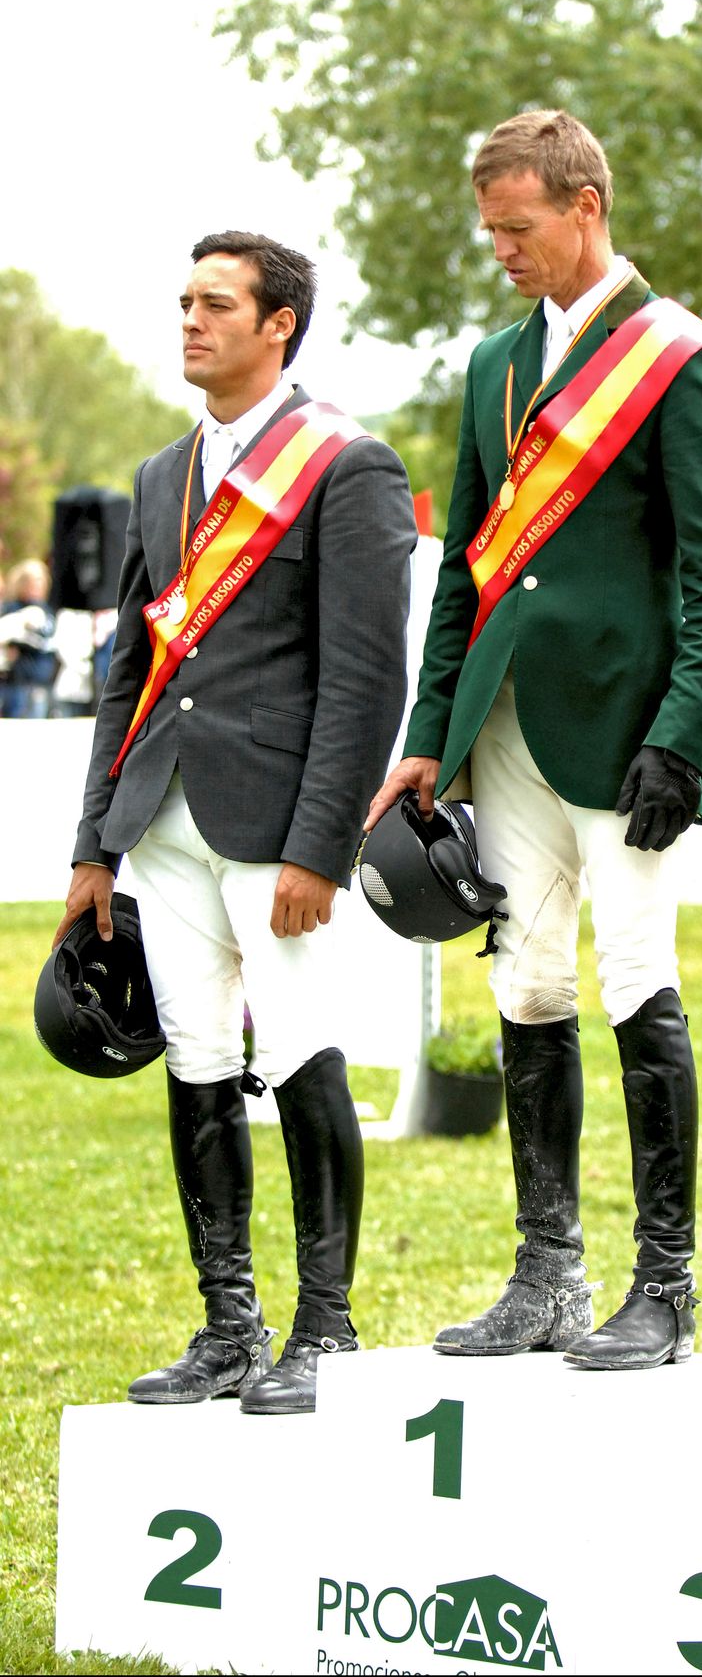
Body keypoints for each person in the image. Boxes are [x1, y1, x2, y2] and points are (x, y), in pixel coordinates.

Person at [366, 110, 702, 1370]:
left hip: (630, 731)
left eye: (518, 228)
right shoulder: (491, 366)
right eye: (489, 231)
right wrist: (431, 733)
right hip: (509, 725)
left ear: (585, 205)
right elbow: (468, 573)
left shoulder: (682, 358)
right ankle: (546, 1272)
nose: (501, 250)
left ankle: (666, 1286)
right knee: (526, 988)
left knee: (639, 982)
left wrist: (684, 735)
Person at [54, 231, 416, 1414]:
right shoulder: (164, 475)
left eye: (218, 304)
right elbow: (131, 667)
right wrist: (93, 842)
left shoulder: (347, 465)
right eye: (184, 301)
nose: (191, 321)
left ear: (280, 325)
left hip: (278, 834)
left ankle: (325, 1326)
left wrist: (324, 844)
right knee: (200, 1061)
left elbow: (365, 679)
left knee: (303, 1055)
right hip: (164, 820)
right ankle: (228, 1324)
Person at [0, 558, 57, 717]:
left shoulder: (47, 610)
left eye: (40, 582)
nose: (36, 588)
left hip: (41, 683)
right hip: (17, 684)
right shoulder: (13, 609)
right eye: (32, 583)